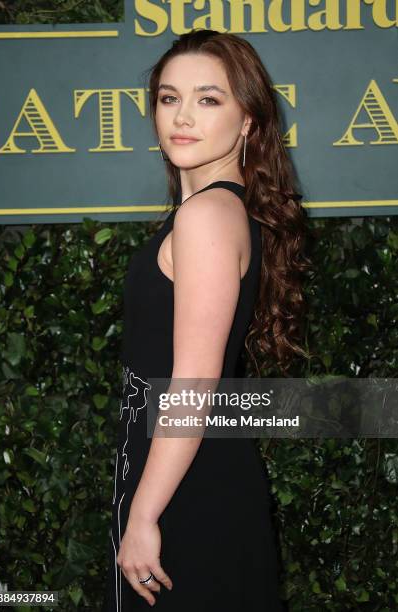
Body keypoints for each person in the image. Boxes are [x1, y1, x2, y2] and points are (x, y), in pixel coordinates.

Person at [102, 28, 309, 612]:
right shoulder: (217, 209)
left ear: (248, 121)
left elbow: (194, 384)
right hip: (186, 463)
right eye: (169, 98)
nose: (182, 116)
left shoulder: (208, 216)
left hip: (187, 483)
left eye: (209, 98)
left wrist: (143, 514)